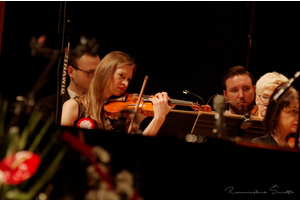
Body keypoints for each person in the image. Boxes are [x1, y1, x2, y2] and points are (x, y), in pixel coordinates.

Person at [61, 51, 174, 136]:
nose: (125, 83)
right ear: (105, 72)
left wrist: (158, 118)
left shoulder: (121, 115)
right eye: (121, 75)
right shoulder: (73, 106)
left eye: (129, 79)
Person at [36, 41, 101, 121]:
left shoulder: (101, 106)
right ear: (71, 72)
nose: (96, 78)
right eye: (90, 72)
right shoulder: (47, 106)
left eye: (98, 72)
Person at [252, 82, 299, 147]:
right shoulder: (260, 144)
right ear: (276, 112)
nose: (298, 117)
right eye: (293, 111)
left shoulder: (296, 144)